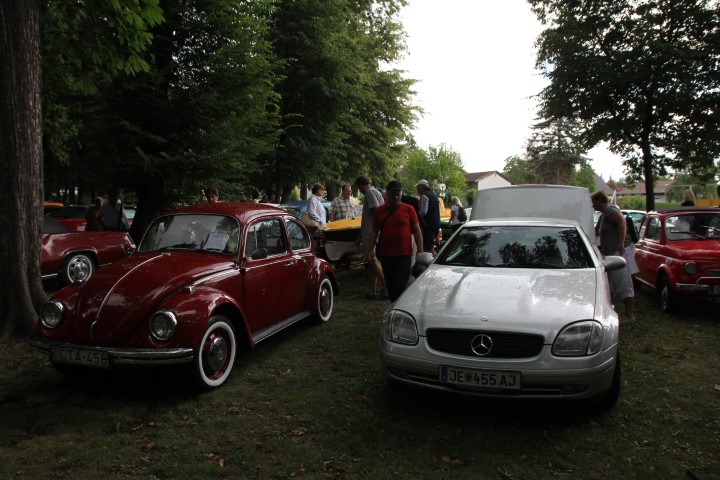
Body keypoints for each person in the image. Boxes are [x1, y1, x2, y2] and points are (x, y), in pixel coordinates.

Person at [368, 180, 423, 302]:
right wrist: (370, 250)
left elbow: (417, 231)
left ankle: (400, 310)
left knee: (401, 285)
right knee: (391, 286)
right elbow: (374, 232)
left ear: (402, 194)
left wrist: (420, 251)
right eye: (393, 194)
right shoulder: (380, 211)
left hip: (404, 254)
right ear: (387, 194)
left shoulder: (409, 209)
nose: (396, 197)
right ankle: (394, 307)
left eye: (398, 194)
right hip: (386, 255)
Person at [592, 191, 635, 323]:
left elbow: (622, 222)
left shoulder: (610, 211)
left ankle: (629, 315)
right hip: (610, 253)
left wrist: (620, 243)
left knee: (623, 282)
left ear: (599, 201)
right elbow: (596, 232)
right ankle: (609, 311)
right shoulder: (603, 215)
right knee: (611, 284)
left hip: (618, 252)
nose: (592, 206)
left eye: (593, 202)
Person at [354, 176, 387, 300]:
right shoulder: (375, 192)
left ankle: (387, 287)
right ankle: (371, 291)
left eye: (358, 187)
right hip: (370, 231)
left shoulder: (370, 192)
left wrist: (372, 231)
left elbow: (375, 210)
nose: (360, 191)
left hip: (371, 232)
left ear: (362, 185)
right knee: (373, 261)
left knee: (371, 259)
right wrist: (360, 236)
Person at [416, 179, 440, 253]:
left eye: (418, 187)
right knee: (429, 245)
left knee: (429, 247)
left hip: (428, 225)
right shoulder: (434, 194)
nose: (417, 189)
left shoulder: (424, 195)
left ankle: (434, 262)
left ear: (422, 186)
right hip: (436, 224)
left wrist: (416, 217)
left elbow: (423, 211)